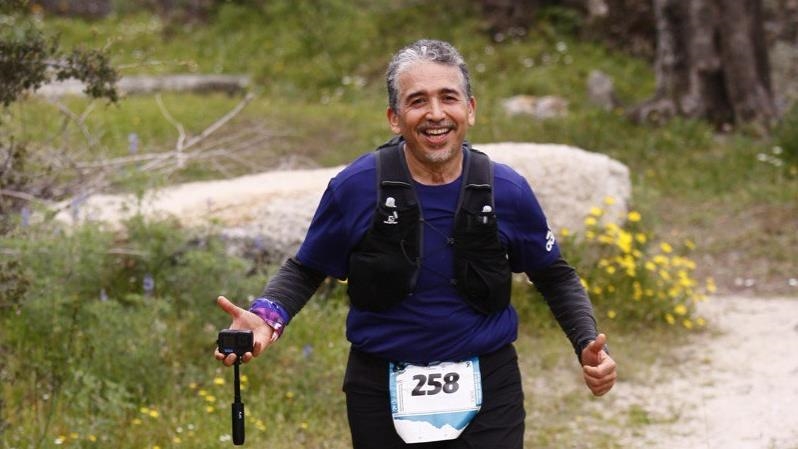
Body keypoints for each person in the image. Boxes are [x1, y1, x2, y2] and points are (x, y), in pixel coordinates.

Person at [214, 39, 616, 448]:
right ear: (394, 117)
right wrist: (266, 317)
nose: (435, 114)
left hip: (490, 388)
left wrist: (587, 342)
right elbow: (307, 269)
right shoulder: (356, 188)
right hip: (378, 387)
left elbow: (554, 275)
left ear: (470, 110)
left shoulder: (507, 190)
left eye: (448, 98)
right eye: (418, 101)